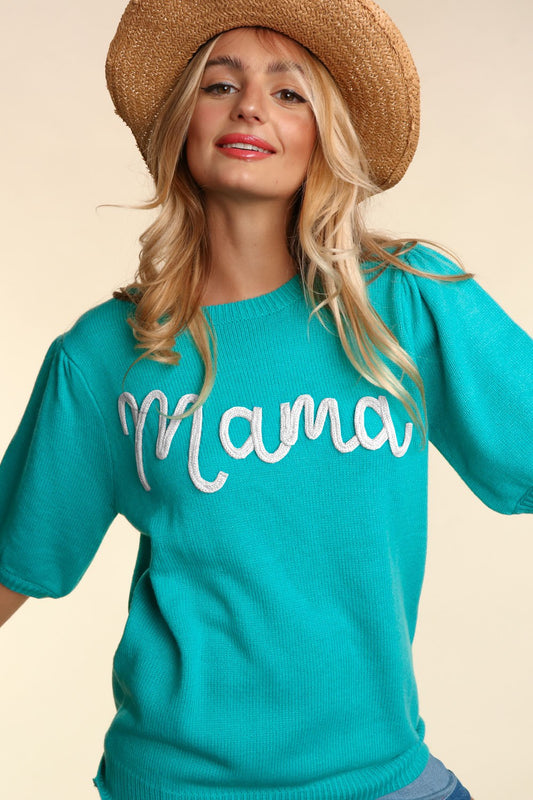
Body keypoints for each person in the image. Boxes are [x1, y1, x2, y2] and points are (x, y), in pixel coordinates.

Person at [0, 1, 531, 799]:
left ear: (326, 135)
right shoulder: (107, 354)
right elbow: (17, 562)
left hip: (383, 780)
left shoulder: (407, 305)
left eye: (289, 94)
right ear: (183, 121)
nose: (250, 106)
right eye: (220, 85)